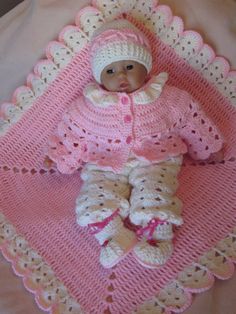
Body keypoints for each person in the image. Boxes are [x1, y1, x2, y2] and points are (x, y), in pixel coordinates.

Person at [46, 19, 224, 269]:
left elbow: (191, 120)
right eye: (110, 71)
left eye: (129, 66)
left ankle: (156, 233)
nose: (121, 76)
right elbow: (74, 133)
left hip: (157, 157)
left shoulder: (168, 98)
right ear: (99, 77)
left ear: (146, 67)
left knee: (156, 188)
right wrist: (60, 157)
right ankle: (113, 234)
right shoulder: (87, 107)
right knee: (93, 196)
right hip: (105, 161)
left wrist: (207, 147)